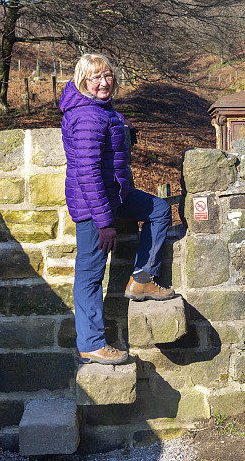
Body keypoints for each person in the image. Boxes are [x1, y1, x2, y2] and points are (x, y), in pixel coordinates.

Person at [59, 53, 176, 365]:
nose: (103, 82)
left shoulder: (103, 111)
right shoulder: (87, 117)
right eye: (96, 77)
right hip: (93, 207)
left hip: (115, 196)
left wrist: (124, 133)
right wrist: (104, 223)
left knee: (159, 210)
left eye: (107, 76)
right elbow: (87, 173)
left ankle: (141, 279)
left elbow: (105, 141)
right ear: (82, 81)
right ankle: (91, 344)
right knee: (90, 275)